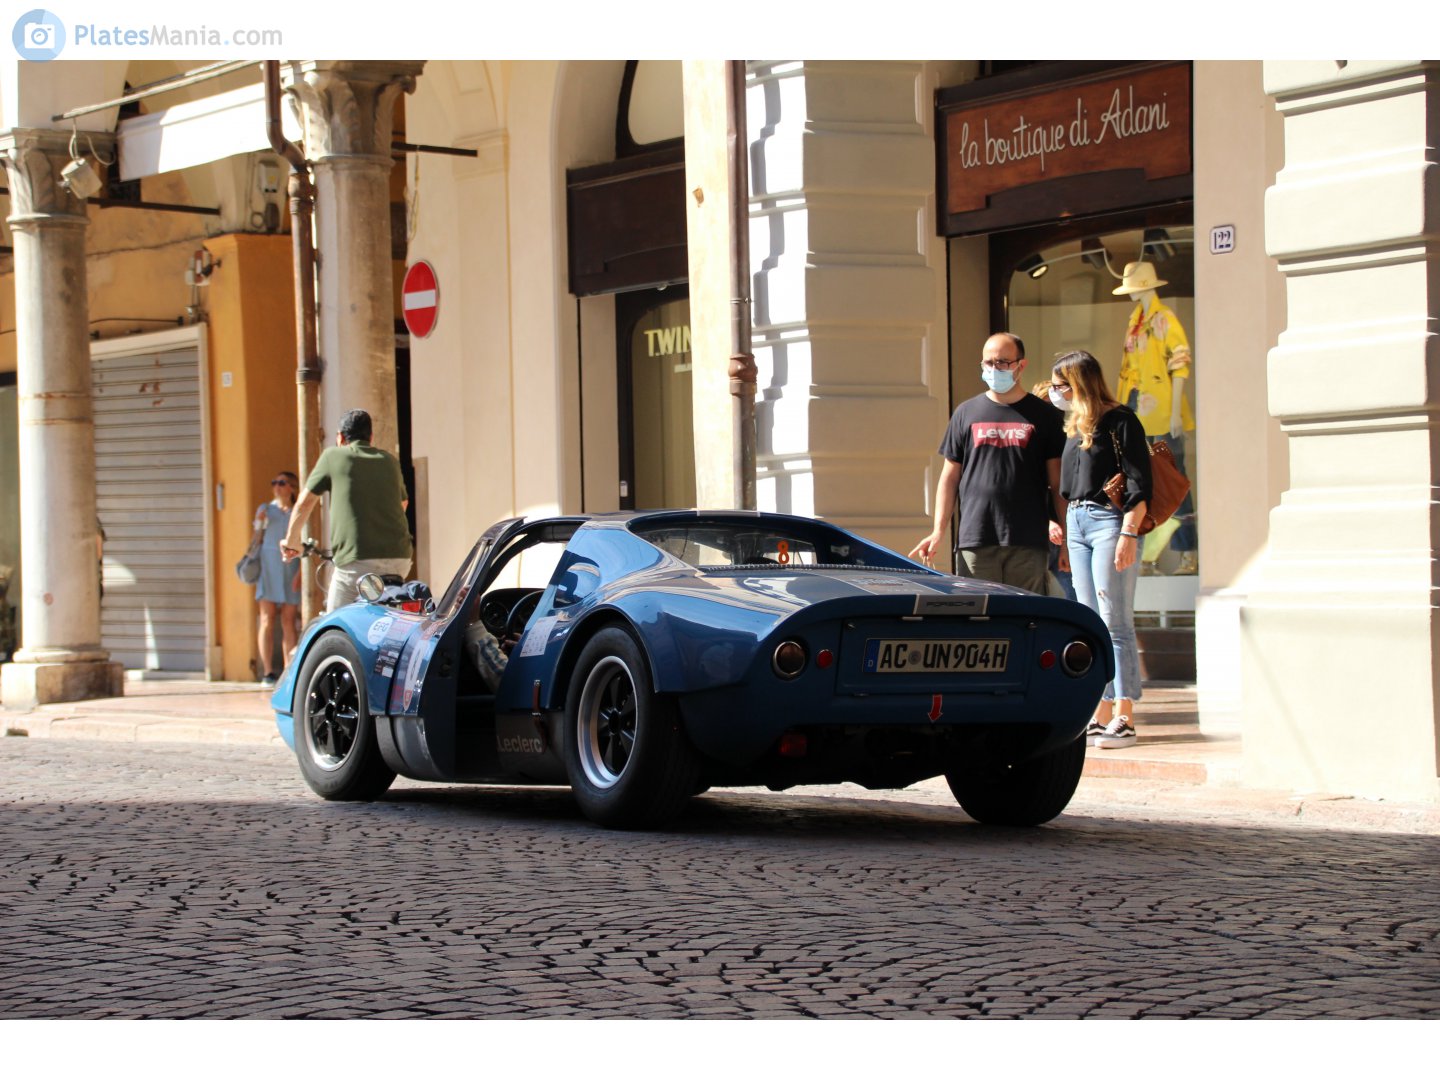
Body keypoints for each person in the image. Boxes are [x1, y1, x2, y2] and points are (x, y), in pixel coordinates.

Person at [909, 332, 1067, 595]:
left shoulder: (1045, 415)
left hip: (1027, 540)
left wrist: (1067, 541)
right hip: (976, 538)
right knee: (978, 619)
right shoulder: (966, 412)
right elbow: (949, 478)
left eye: (1003, 362)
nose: (995, 369)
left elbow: (1058, 482)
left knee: (1025, 619)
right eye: (988, 363)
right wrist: (938, 531)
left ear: (1021, 365)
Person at [1051, 349, 1152, 750]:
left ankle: (1125, 715)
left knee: (1115, 620)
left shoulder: (1121, 420)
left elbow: (1140, 481)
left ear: (1079, 383)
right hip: (1076, 521)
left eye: (1061, 385)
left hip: (1110, 522)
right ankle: (1102, 709)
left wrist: (1128, 534)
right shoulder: (1076, 425)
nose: (1057, 393)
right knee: (1090, 621)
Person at [281, 408, 413, 612]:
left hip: (356, 564)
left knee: (335, 629)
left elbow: (304, 503)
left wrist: (291, 542)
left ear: (340, 438)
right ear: (371, 437)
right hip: (400, 560)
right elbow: (403, 505)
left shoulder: (333, 456)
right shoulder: (389, 461)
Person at [1113, 260, 1197, 574]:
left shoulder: (1164, 319)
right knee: (1142, 483)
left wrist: (1176, 411)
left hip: (1161, 411)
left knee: (1172, 481)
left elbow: (1180, 363)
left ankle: (1188, 551)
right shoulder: (1136, 319)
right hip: (1136, 410)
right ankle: (1147, 555)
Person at [252, 472, 301, 685]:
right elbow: (255, 540)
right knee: (267, 618)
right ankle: (268, 672)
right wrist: (259, 523)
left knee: (289, 620)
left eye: (282, 483)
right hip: (269, 569)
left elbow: (304, 543)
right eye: (274, 482)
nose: (277, 487)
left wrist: (301, 574)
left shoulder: (297, 511)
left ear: (291, 487)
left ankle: (289, 672)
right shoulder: (265, 510)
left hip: (290, 569)